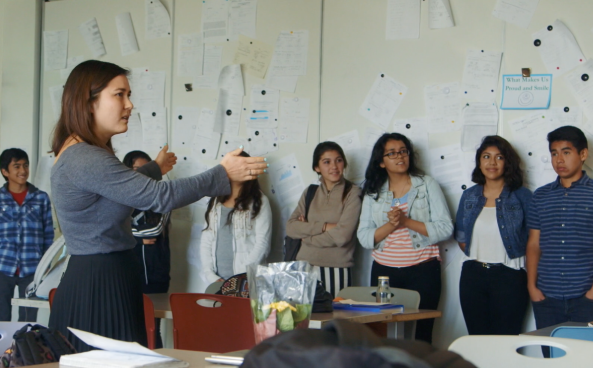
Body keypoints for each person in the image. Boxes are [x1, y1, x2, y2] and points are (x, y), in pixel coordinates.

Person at [48, 60, 267, 351]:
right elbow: (159, 197)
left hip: (104, 277)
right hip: (98, 286)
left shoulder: (83, 153)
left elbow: (115, 189)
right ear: (88, 102)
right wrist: (221, 173)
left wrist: (154, 168)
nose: (129, 104)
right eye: (119, 94)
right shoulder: (86, 157)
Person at [357, 133, 452, 343]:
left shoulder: (426, 185)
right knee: (383, 336)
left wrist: (405, 221)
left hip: (423, 271)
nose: (399, 157)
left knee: (421, 335)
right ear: (381, 162)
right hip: (384, 273)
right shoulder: (373, 193)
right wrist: (391, 225)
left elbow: (446, 228)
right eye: (392, 153)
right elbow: (364, 238)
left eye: (403, 151)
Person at [527, 126, 593, 356]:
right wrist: (532, 286)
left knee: (587, 365)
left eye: (566, 152)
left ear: (583, 154)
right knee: (551, 362)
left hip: (587, 296)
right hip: (547, 297)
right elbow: (534, 244)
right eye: (554, 153)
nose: (559, 159)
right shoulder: (540, 195)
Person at [455, 136, 531, 335]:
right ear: (479, 162)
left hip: (510, 276)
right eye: (486, 156)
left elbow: (535, 240)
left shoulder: (522, 196)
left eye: (499, 157)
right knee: (477, 337)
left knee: (506, 339)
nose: (492, 162)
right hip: (473, 275)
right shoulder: (469, 196)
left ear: (508, 163)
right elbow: (462, 237)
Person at [286, 142, 362, 297]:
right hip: (303, 267)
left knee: (334, 320)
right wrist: (325, 226)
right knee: (302, 319)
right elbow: (291, 228)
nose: (334, 166)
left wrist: (306, 236)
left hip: (337, 268)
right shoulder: (310, 192)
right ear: (317, 168)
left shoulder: (353, 193)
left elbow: (342, 235)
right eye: (327, 162)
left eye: (338, 160)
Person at [200, 151, 272, 290]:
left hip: (246, 282)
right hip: (217, 281)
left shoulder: (259, 201)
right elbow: (206, 239)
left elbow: (263, 244)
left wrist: (239, 278)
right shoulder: (215, 200)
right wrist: (210, 275)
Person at [0, 148, 53, 322]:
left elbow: (48, 234)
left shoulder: (41, 198)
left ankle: (24, 349)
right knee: (2, 319)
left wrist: (45, 266)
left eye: (25, 165)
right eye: (16, 166)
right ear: (5, 171)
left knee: (28, 320)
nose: (23, 171)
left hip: (32, 269)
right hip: (3, 268)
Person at [123, 150, 171, 295]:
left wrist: (128, 235)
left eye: (148, 170)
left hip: (156, 275)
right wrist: (138, 239)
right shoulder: (121, 199)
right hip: (127, 273)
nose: (144, 176)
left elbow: (154, 230)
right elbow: (110, 228)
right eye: (138, 171)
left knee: (152, 316)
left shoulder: (163, 196)